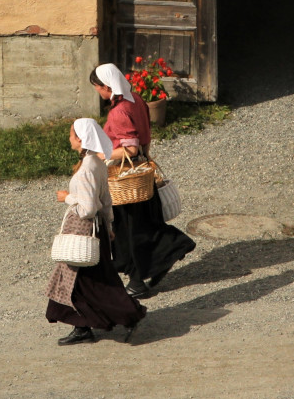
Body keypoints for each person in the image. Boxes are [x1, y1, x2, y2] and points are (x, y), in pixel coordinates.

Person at [90, 62, 197, 298]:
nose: (98, 92)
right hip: (142, 174)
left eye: (97, 87)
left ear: (106, 86)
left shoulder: (118, 112)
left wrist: (100, 155)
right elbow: (145, 136)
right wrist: (145, 158)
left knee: (130, 231)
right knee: (145, 224)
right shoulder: (136, 99)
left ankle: (141, 278)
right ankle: (162, 258)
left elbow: (129, 148)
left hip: (126, 179)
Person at [45, 118, 147, 346]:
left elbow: (88, 208)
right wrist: (109, 227)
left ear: (80, 139)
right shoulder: (96, 163)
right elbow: (107, 200)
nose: (69, 139)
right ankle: (81, 327)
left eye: (71, 135)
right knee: (82, 280)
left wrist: (67, 198)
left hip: (83, 231)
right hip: (96, 230)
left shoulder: (88, 168)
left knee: (90, 282)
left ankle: (130, 316)